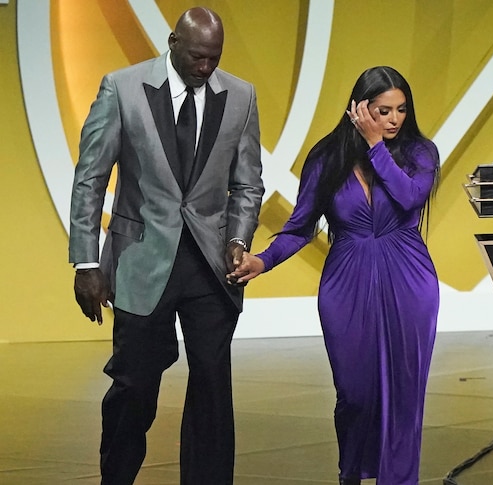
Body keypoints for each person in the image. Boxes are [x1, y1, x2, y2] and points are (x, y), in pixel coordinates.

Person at [68, 7, 264, 484]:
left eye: (214, 58)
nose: (205, 67)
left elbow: (248, 183)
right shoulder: (123, 88)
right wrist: (87, 262)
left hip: (211, 268)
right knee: (135, 387)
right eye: (198, 56)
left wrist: (238, 239)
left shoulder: (239, 96)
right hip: (141, 260)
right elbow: (91, 179)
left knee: (214, 387)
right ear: (173, 41)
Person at [229, 66, 440, 485]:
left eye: (400, 109)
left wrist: (377, 146)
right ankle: (352, 472)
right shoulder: (326, 158)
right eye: (383, 110)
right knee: (355, 393)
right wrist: (263, 260)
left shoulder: (420, 153)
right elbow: (301, 227)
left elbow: (410, 196)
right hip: (347, 281)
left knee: (403, 395)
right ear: (359, 109)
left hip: (409, 278)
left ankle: (398, 479)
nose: (394, 119)